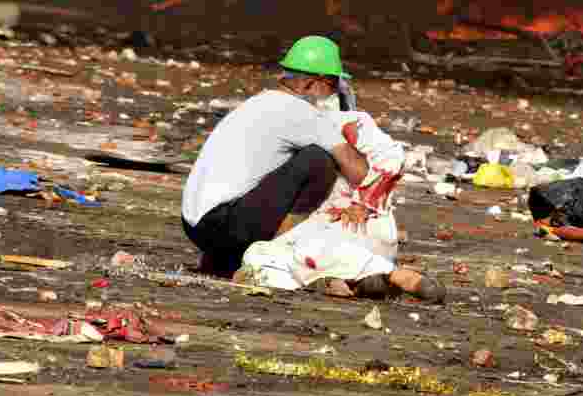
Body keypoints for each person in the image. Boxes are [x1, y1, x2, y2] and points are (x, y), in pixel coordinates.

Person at [181, 35, 444, 302]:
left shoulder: (258, 103)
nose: (333, 94)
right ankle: (281, 247)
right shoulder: (303, 114)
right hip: (225, 223)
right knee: (320, 160)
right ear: (310, 82)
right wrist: (341, 136)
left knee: (295, 161)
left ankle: (223, 258)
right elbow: (360, 172)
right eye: (331, 85)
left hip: (195, 224)